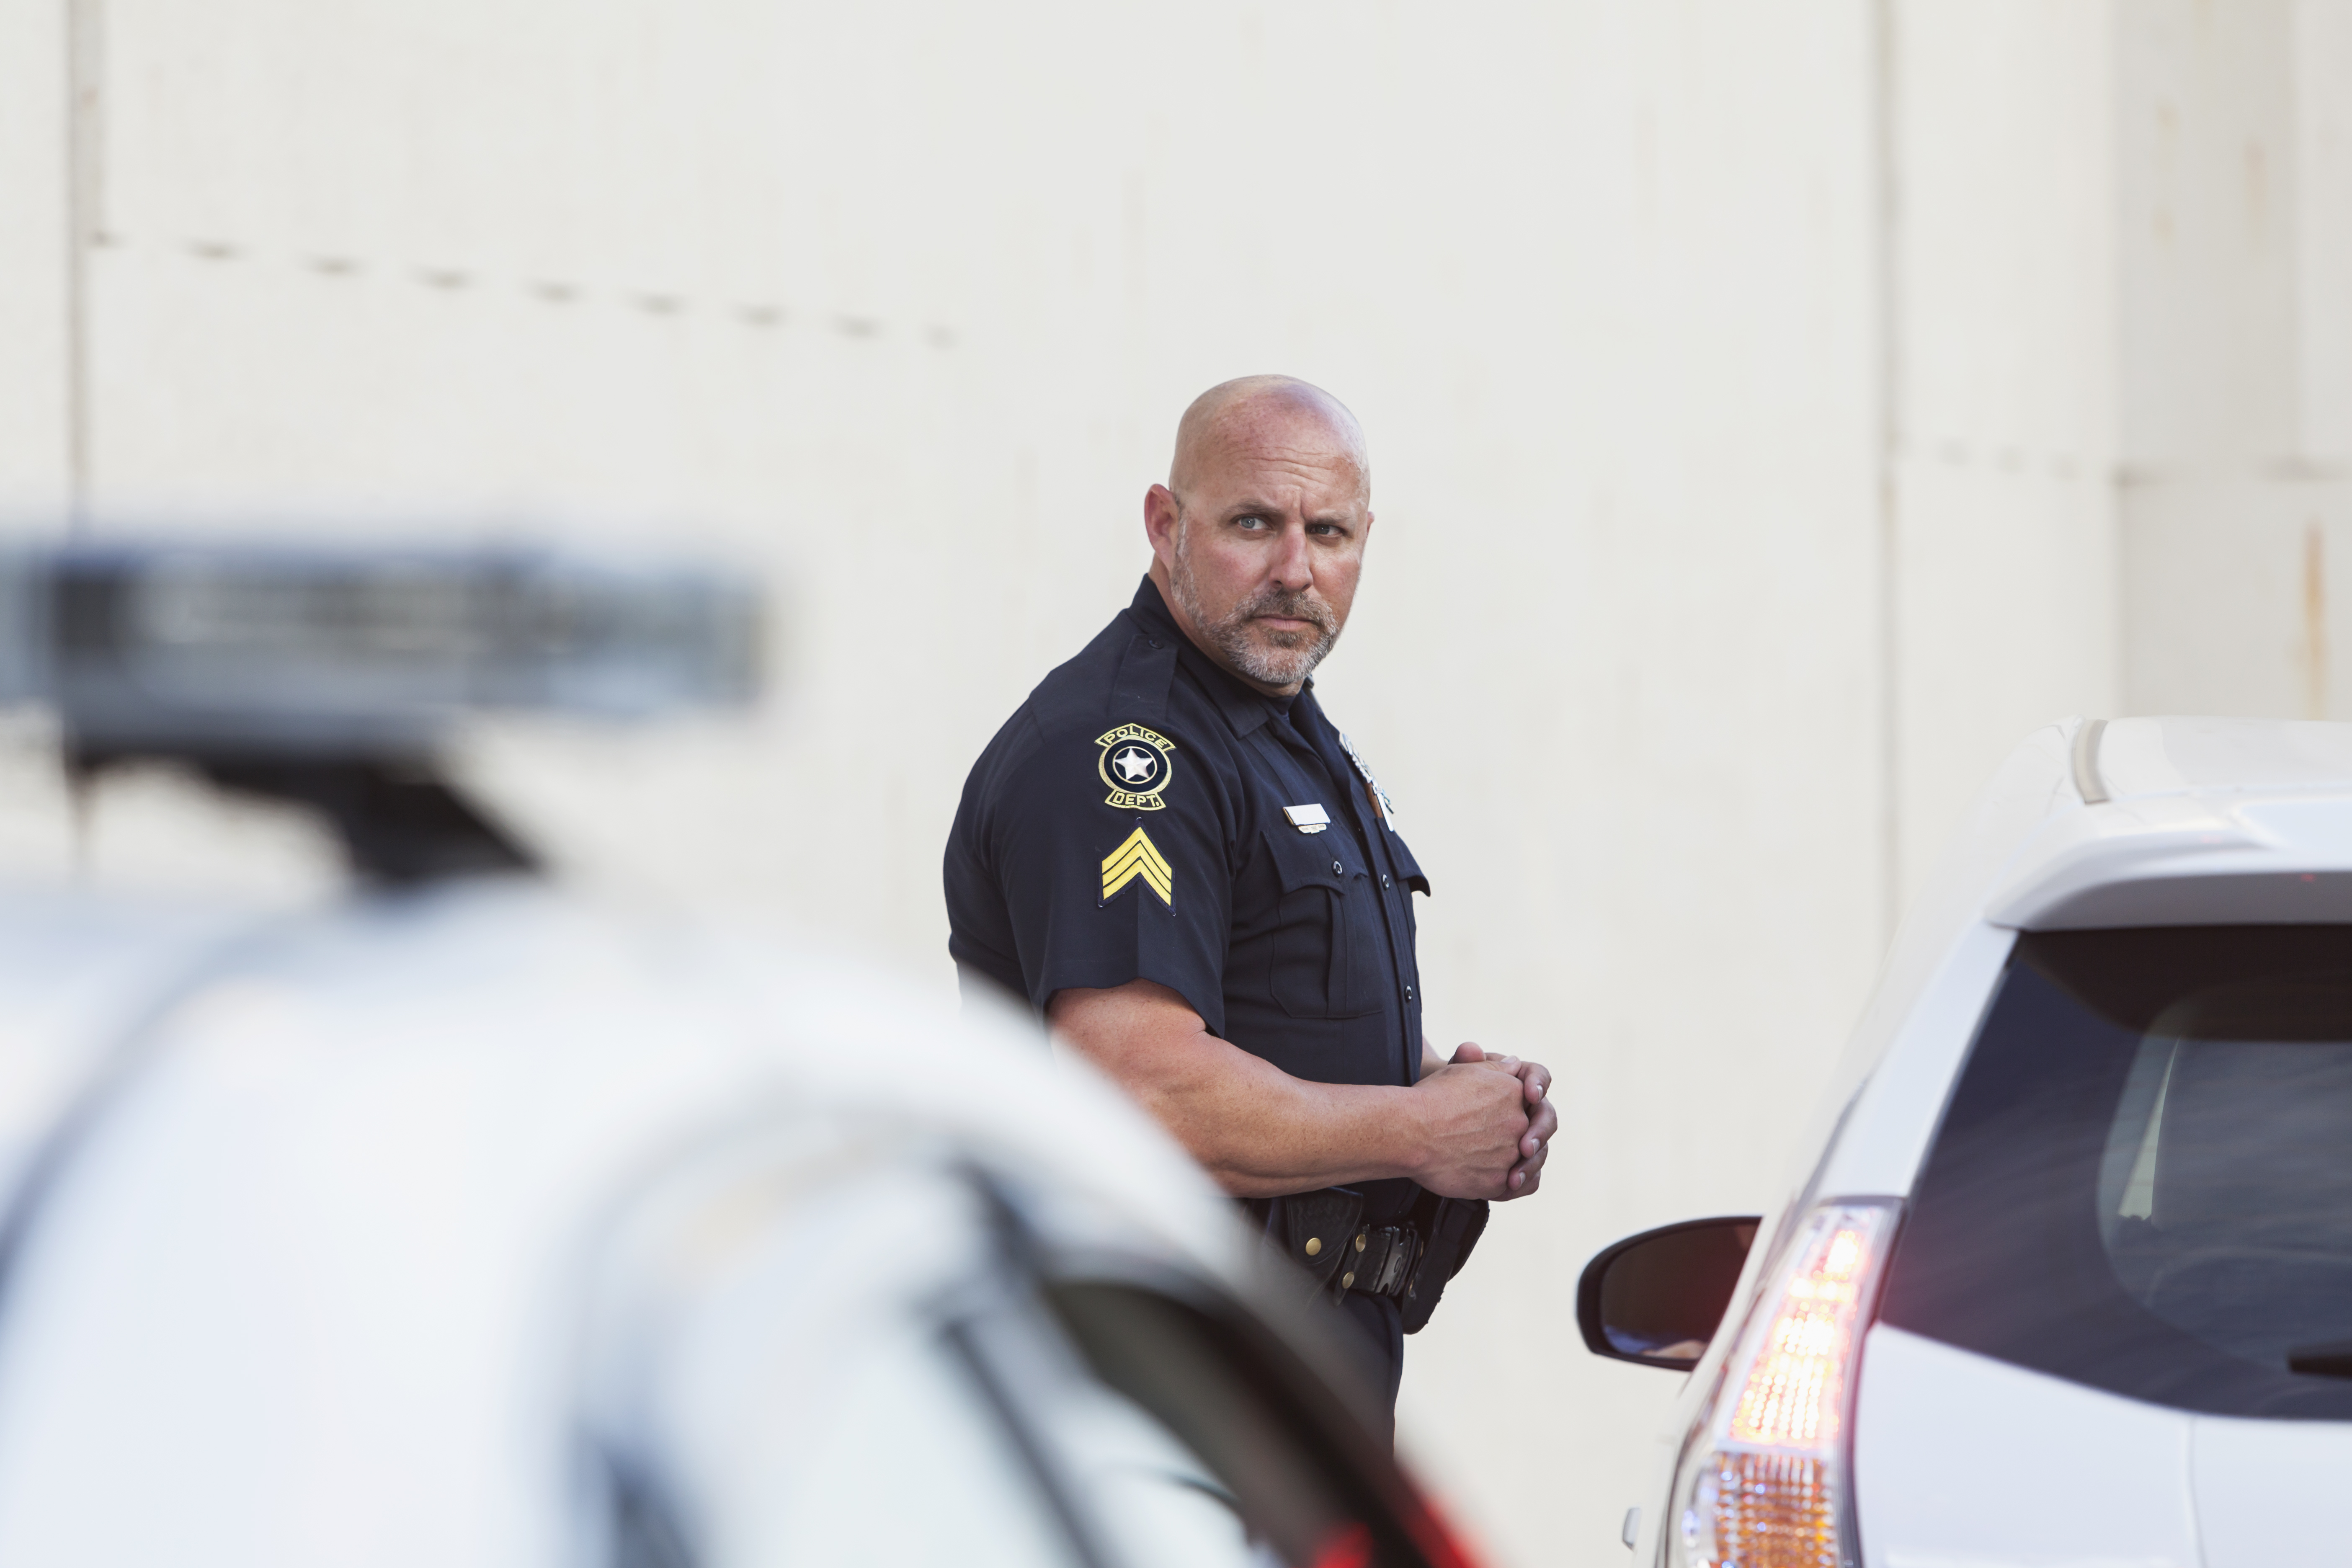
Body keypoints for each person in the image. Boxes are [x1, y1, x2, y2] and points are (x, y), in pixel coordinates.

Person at [943, 375, 1555, 1429]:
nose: (1296, 570)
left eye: (1330, 533)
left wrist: (1453, 1092)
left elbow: (1274, 1010)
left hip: (1283, 1389)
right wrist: (1415, 1129)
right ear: (1165, 524)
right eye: (1255, 524)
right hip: (1159, 1401)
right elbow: (1141, 1089)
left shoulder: (1280, 731)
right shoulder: (1124, 752)